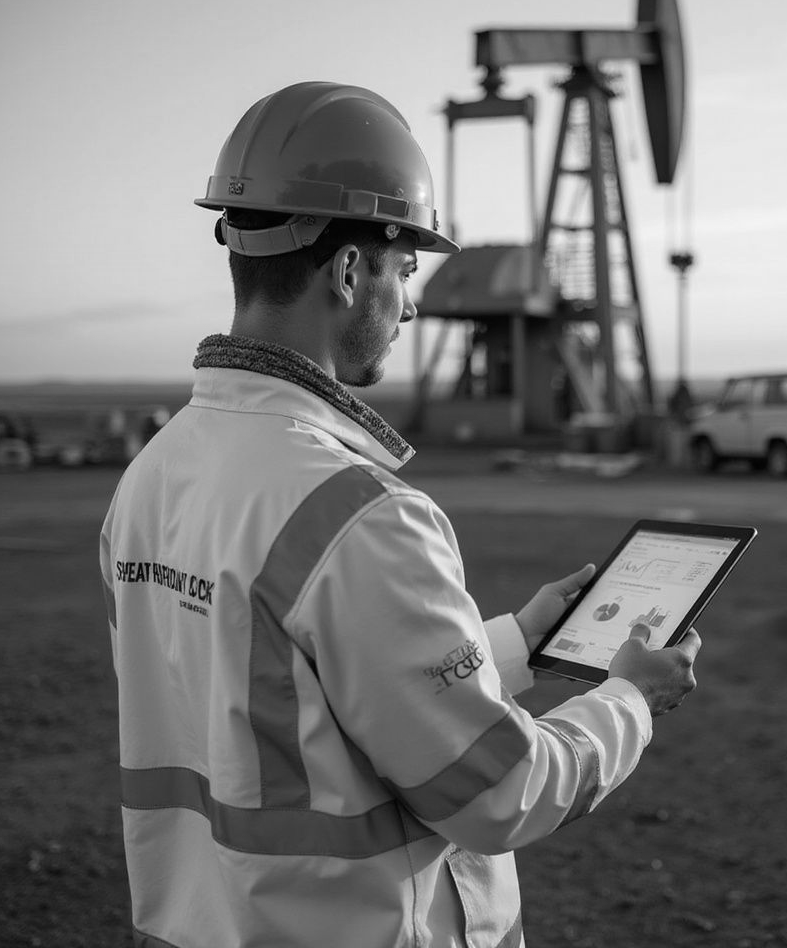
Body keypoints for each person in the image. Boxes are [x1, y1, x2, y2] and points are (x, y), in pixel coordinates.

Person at [100, 81, 701, 948]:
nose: (413, 304)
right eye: (406, 269)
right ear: (350, 271)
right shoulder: (359, 514)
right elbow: (499, 792)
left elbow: (292, 694)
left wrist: (520, 642)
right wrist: (631, 700)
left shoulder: (151, 478)